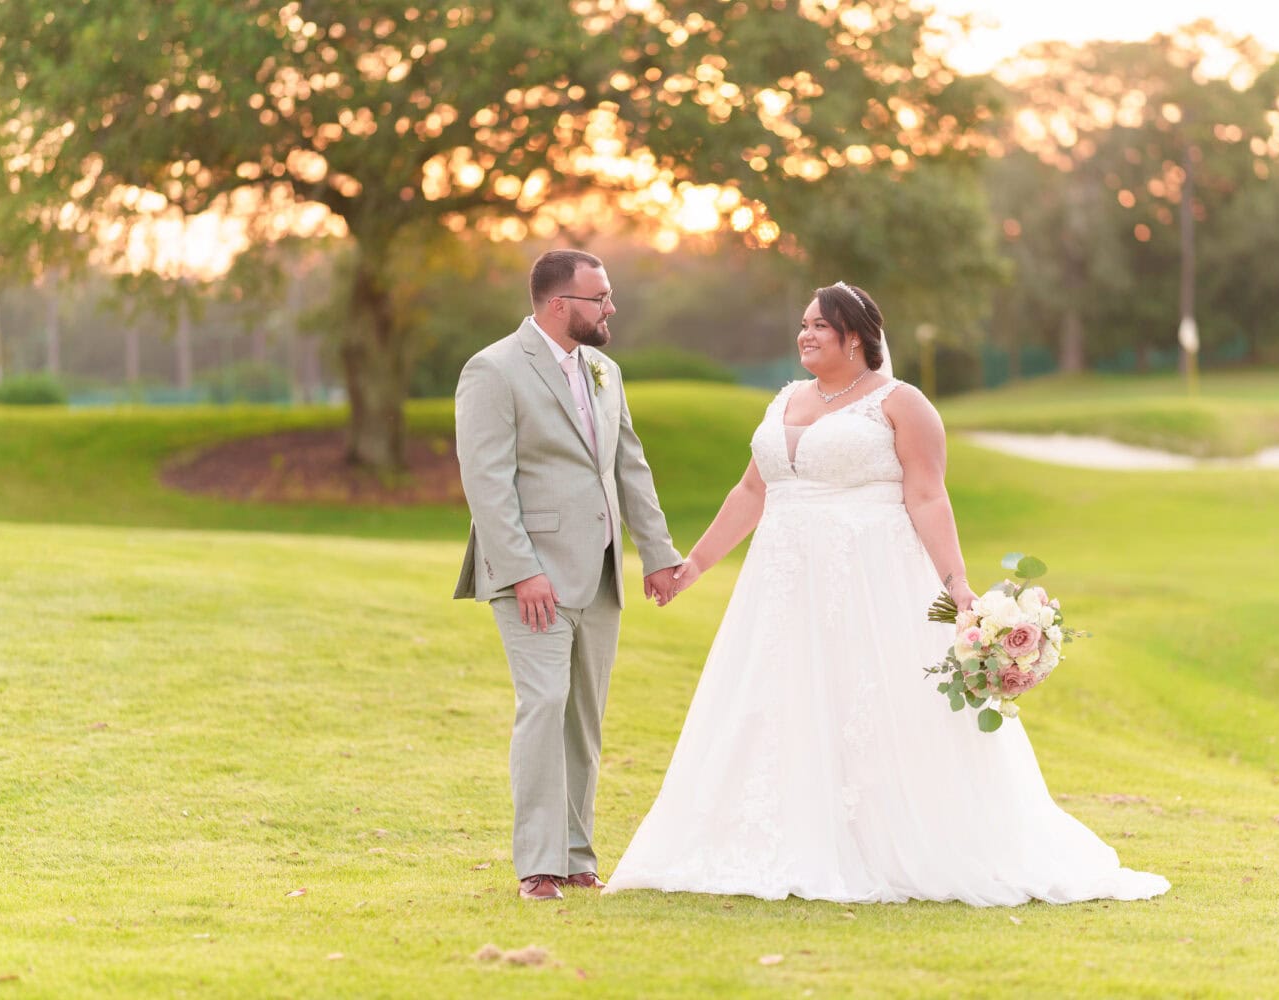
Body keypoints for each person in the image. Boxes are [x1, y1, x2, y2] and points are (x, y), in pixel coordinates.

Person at [604, 281, 1169, 906]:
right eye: (803, 324)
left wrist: (960, 594)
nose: (806, 334)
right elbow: (752, 493)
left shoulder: (903, 404)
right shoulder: (785, 399)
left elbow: (928, 497)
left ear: (857, 336)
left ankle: (885, 842)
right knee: (780, 698)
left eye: (821, 325)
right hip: (782, 585)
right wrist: (696, 564)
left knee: (872, 701)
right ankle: (780, 836)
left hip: (870, 580)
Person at [454, 249, 683, 901]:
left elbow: (630, 468)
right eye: (599, 297)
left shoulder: (606, 371)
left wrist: (658, 554)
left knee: (585, 717)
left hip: (601, 573)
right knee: (544, 705)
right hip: (532, 578)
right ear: (560, 305)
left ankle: (579, 856)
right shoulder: (493, 370)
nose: (611, 307)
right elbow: (487, 480)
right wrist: (524, 570)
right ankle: (538, 865)